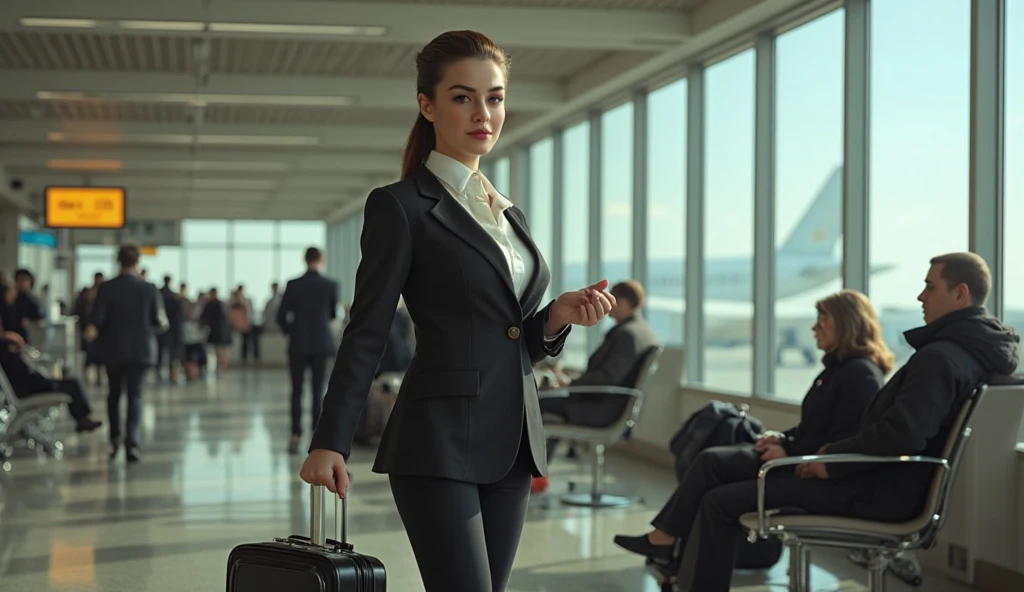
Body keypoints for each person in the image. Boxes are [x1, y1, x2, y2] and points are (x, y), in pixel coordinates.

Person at [298, 30, 616, 592]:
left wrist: (557, 316)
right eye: (462, 97)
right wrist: (331, 440)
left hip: (514, 440)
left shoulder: (505, 212)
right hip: (438, 440)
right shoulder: (400, 206)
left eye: (494, 97)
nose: (483, 113)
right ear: (427, 105)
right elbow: (366, 329)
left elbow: (509, 329)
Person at [631, 253, 1017, 591]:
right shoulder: (971, 355)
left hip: (875, 489)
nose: (920, 296)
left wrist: (829, 459)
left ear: (960, 294)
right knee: (721, 484)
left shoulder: (940, 358)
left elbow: (902, 434)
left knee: (718, 500)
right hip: (884, 480)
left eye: (929, 287)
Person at [612, 289, 892, 570]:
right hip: (797, 457)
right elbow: (815, 426)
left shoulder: (861, 375)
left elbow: (844, 440)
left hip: (808, 468)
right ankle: (674, 550)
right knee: (713, 470)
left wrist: (789, 449)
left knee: (711, 463)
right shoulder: (839, 369)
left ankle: (666, 540)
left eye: (822, 322)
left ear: (845, 325)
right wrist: (783, 437)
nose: (814, 328)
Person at [539, 279, 659, 462]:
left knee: (535, 404)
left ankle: (527, 472)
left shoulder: (628, 334)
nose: (607, 304)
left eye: (612, 299)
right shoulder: (644, 332)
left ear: (625, 302)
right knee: (547, 403)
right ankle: (540, 468)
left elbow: (608, 377)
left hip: (601, 410)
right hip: (609, 405)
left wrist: (571, 383)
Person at [88, 244, 169, 462]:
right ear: (137, 262)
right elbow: (160, 323)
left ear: (118, 261)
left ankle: (114, 440)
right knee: (135, 395)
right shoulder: (149, 289)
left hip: (113, 350)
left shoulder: (106, 288)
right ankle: (132, 444)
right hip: (141, 351)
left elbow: (97, 320)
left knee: (114, 394)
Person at [276, 247, 340, 454]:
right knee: (317, 389)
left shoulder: (293, 285)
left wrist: (292, 331)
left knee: (296, 390)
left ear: (304, 259)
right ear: (321, 259)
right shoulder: (330, 285)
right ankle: (316, 436)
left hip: (298, 343)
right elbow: (331, 314)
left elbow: (281, 316)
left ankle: (296, 435)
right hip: (321, 343)